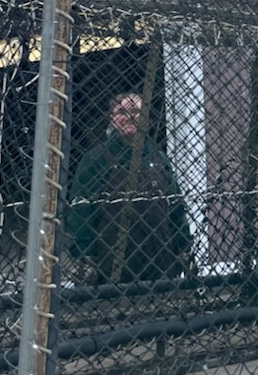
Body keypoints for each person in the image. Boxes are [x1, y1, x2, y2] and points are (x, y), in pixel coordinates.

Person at [66, 92, 193, 286]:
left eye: (136, 111)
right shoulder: (95, 159)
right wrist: (85, 256)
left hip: (161, 264)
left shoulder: (158, 158)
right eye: (121, 112)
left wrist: (184, 248)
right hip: (112, 267)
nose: (130, 116)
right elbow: (81, 212)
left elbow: (176, 208)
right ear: (112, 119)